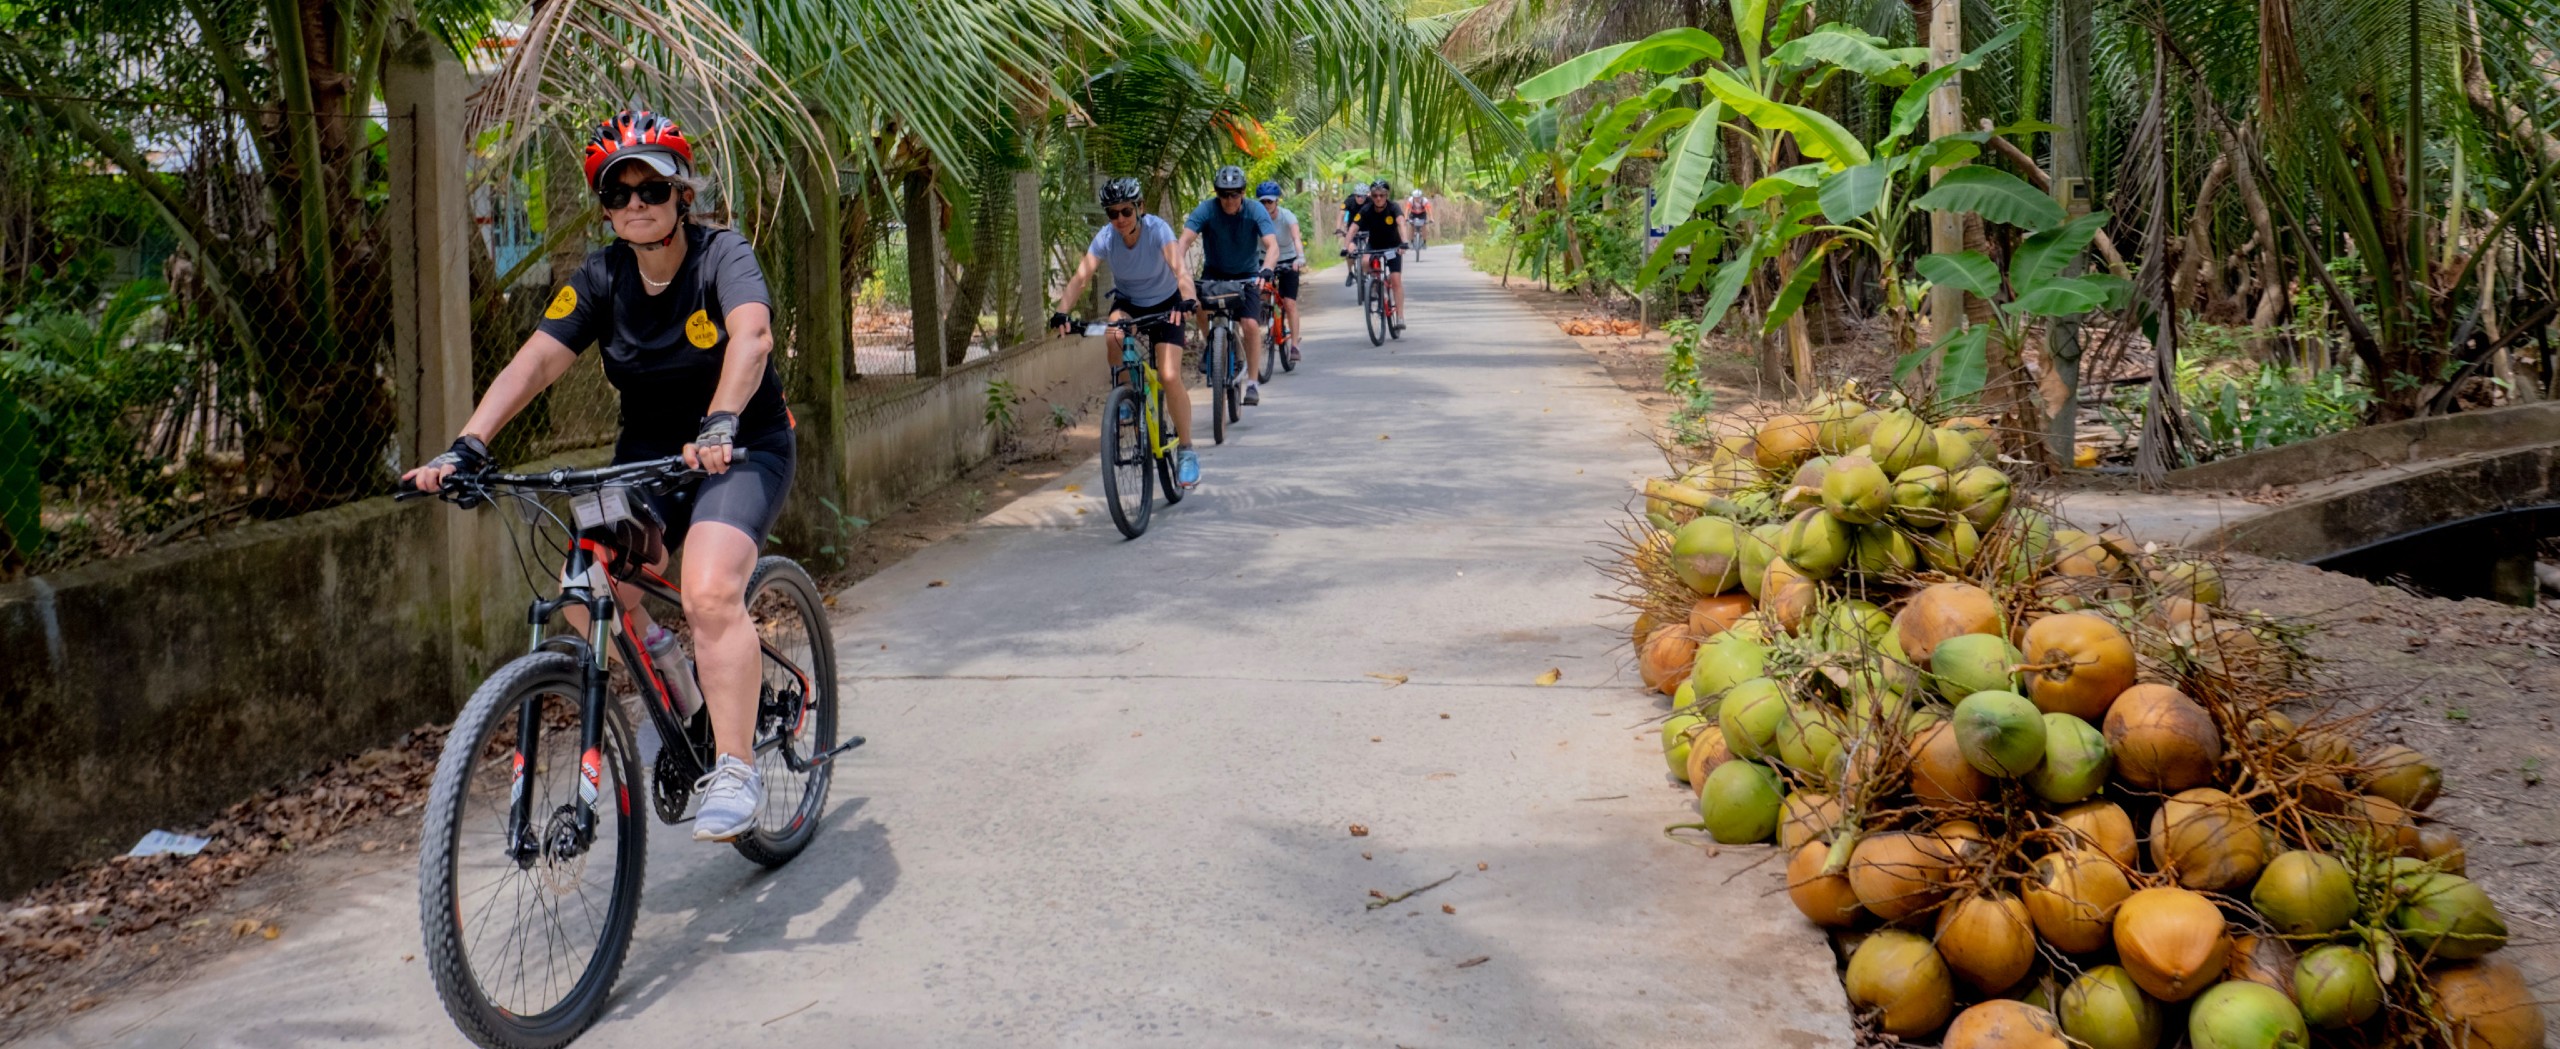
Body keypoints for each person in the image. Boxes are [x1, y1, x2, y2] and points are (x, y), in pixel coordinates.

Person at [401, 106, 790, 842]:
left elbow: (753, 335)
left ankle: (736, 766)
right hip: (648, 457)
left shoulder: (722, 256)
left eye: (653, 188)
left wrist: (721, 420)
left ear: (684, 195)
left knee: (708, 590)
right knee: (585, 594)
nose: (636, 204)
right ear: (605, 206)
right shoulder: (602, 276)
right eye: (619, 193)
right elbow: (539, 358)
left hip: (740, 446)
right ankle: (682, 687)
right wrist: (469, 444)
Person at [1050, 177, 1205, 487]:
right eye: (1112, 213)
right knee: (1114, 334)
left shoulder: (1158, 230)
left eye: (1125, 211)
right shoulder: (1107, 237)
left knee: (1170, 376)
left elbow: (1180, 271)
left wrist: (1188, 301)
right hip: (1129, 303)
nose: (1119, 219)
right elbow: (1081, 277)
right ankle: (1127, 398)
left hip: (1167, 305)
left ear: (1139, 208)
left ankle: (1187, 451)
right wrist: (1061, 313)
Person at [1174, 165, 1280, 407]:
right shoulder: (1207, 209)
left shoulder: (1255, 210)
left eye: (1234, 194)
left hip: (1248, 275)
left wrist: (1268, 269)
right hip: (1214, 273)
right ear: (1216, 193)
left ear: (1242, 192)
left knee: (1250, 325)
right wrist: (1180, 271)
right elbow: (1184, 241)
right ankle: (1211, 344)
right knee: (1197, 304)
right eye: (1223, 194)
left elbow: (1272, 246)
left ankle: (1252, 383)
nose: (1229, 200)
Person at [1343, 178, 1407, 331]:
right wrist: (1348, 245)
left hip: (1393, 247)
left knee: (1396, 280)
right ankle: (1374, 284)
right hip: (1374, 245)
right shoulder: (1366, 210)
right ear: (1371, 196)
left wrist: (1404, 242)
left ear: (1387, 195)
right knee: (1364, 261)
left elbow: (1401, 223)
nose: (1378, 198)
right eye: (1375, 195)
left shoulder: (1393, 207)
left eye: (1382, 195)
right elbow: (1352, 228)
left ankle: (1400, 316)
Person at [1256, 179, 1305, 368]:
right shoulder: (1255, 218)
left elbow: (1296, 238)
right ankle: (1266, 325)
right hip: (1264, 260)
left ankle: (1294, 346)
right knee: (1261, 295)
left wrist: (1300, 257)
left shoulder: (1287, 217)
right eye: (1263, 202)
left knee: (1289, 303)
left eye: (1270, 201)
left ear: (1277, 201)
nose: (1266, 205)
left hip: (1288, 261)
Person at [1339, 184, 1368, 286]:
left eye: (1363, 196)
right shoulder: (1350, 201)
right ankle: (1350, 272)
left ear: (1366, 196)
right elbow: (1341, 214)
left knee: (1370, 250)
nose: (1360, 198)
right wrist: (1339, 228)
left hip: (1367, 229)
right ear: (1355, 195)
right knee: (1350, 250)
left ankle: (1370, 272)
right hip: (1353, 229)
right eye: (1358, 196)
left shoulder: (1371, 201)